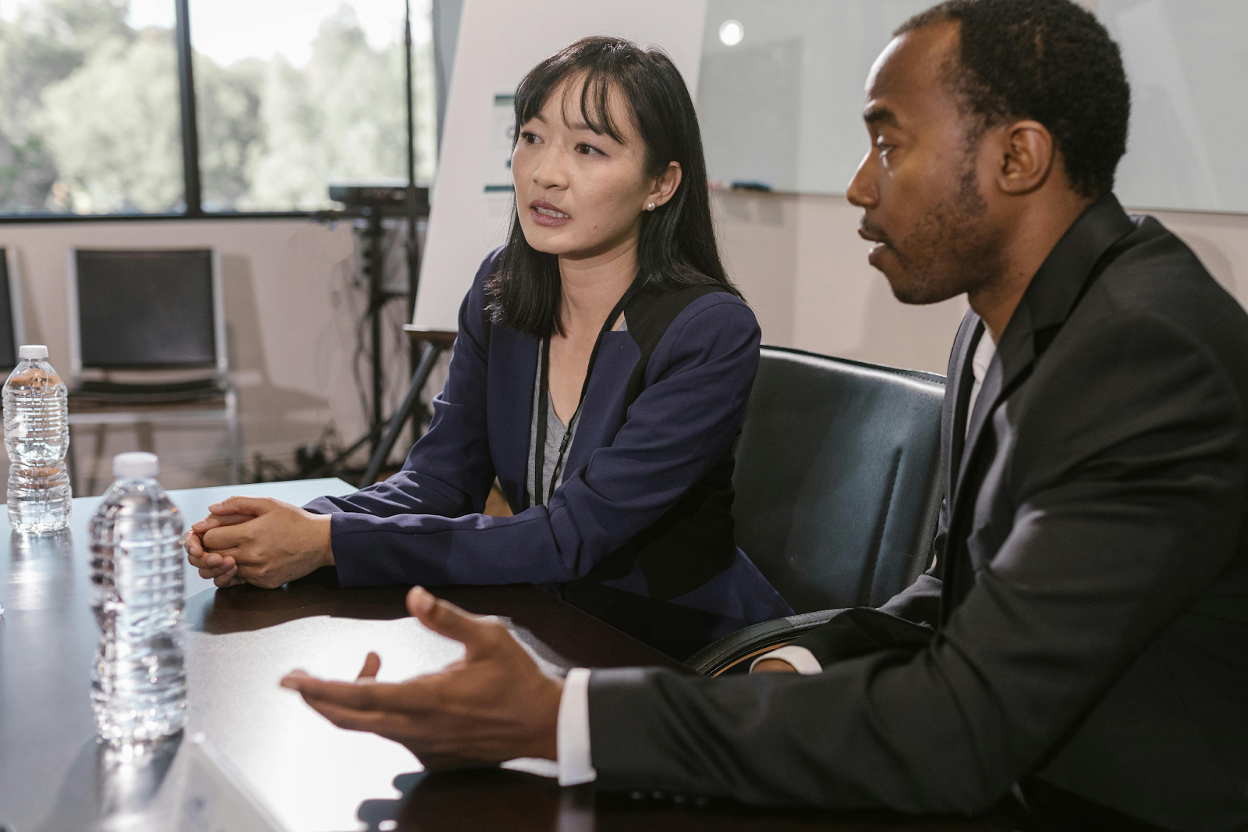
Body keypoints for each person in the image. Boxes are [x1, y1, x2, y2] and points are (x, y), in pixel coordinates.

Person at [277, 1, 1248, 830]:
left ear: (1020, 156)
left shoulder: (1144, 354)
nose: (861, 186)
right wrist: (793, 651)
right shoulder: (1009, 326)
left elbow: (962, 725)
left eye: (886, 142)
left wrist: (560, 718)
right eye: (531, 138)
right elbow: (951, 600)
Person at [184, 37, 792, 660]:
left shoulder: (709, 329)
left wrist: (327, 541)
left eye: (588, 149)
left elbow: (570, 537)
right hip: (545, 621)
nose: (544, 172)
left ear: (660, 185)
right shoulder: (502, 288)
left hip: (682, 648)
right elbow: (438, 482)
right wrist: (283, 529)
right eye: (531, 137)